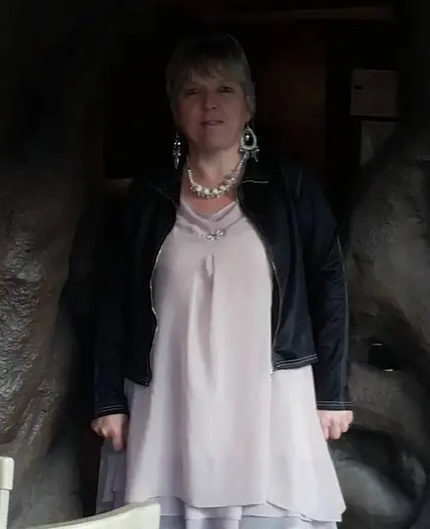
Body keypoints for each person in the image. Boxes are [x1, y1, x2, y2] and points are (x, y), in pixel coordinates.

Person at [91, 30, 353, 529]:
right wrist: (108, 399)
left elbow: (330, 288)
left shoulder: (290, 186)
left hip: (269, 398)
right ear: (176, 109)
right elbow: (114, 300)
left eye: (224, 89)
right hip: (166, 397)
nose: (209, 104)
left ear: (248, 104)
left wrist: (332, 394)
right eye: (193, 90)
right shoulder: (148, 194)